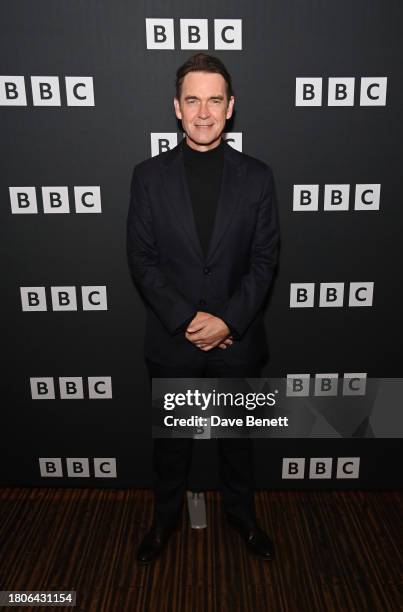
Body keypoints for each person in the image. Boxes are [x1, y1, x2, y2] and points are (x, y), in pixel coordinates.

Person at [126, 52, 280, 564]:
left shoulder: (258, 178)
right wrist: (191, 322)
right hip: (175, 341)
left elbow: (264, 260)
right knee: (171, 447)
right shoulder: (147, 177)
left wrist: (229, 321)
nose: (204, 111)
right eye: (193, 99)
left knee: (237, 442)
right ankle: (162, 522)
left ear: (230, 106)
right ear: (177, 107)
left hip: (237, 341)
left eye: (215, 99)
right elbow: (142, 260)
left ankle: (243, 516)